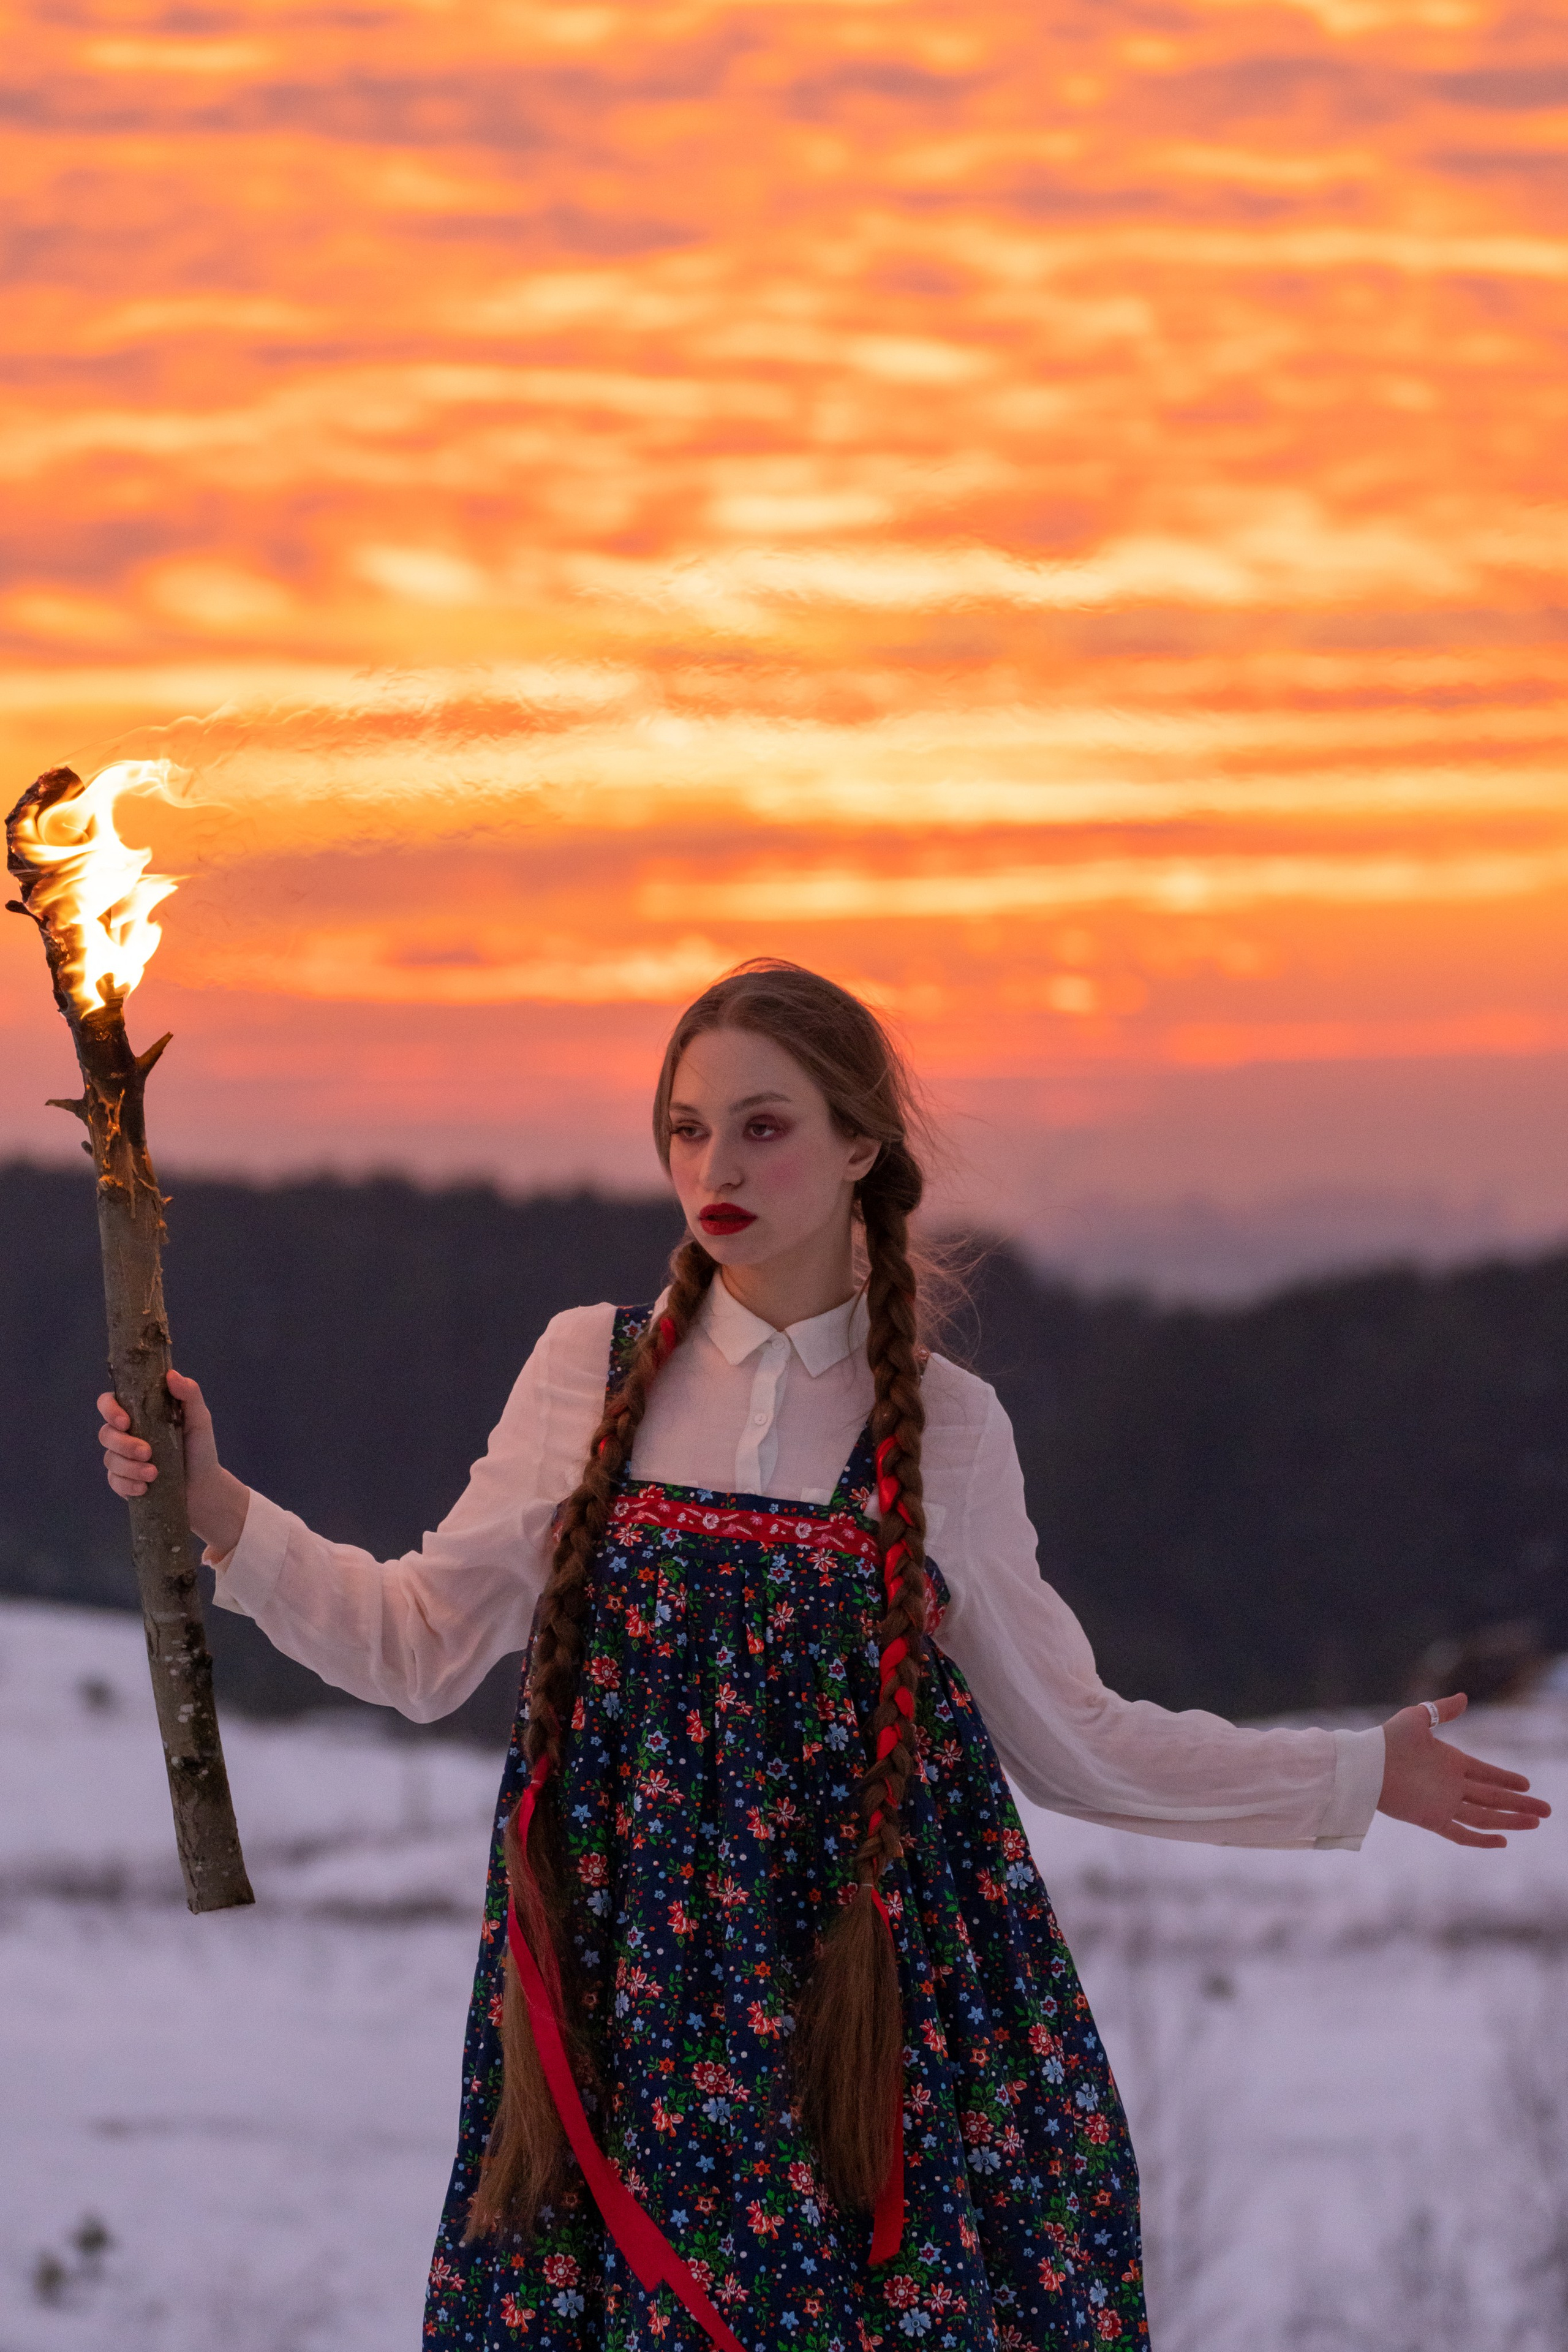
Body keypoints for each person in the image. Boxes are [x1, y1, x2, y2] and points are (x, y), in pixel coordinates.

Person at [98, 959, 1548, 2352]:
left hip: (864, 2026)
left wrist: (1355, 1775)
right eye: (686, 1128)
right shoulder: (585, 1369)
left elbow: (1075, 1740)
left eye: (762, 1126)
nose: (712, 1164)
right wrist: (217, 1507)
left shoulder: (945, 1422)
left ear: (861, 1146)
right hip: (627, 2004)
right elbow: (416, 1649)